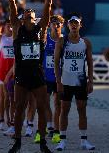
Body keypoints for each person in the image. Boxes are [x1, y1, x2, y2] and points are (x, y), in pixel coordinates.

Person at [6, 0, 55, 152]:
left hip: (37, 75)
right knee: (19, 108)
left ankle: (42, 142)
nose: (29, 13)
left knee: (42, 108)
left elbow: (48, 4)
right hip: (22, 75)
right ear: (23, 17)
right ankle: (17, 142)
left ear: (34, 19)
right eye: (26, 13)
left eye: (32, 14)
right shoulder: (17, 29)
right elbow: (11, 3)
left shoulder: (40, 30)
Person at [54, 14, 95, 151]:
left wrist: (91, 81)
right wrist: (58, 82)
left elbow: (90, 62)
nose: (74, 25)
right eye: (71, 23)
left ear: (80, 25)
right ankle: (62, 141)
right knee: (64, 111)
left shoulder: (86, 42)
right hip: (65, 81)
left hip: (81, 81)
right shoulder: (62, 41)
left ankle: (84, 141)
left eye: (76, 23)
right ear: (68, 25)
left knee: (81, 110)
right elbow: (55, 63)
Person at [43, 15, 64, 144]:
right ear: (50, 25)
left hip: (60, 79)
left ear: (62, 26)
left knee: (57, 104)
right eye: (54, 23)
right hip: (46, 77)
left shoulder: (64, 40)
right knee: (44, 104)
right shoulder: (45, 40)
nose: (56, 26)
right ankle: (49, 126)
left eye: (58, 24)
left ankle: (56, 131)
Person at [0, 20, 15, 130]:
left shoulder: (16, 38)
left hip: (14, 72)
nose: (10, 27)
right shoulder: (0, 38)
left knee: (13, 98)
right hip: (2, 72)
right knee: (2, 97)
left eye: (11, 24)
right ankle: (2, 119)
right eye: (8, 25)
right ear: (4, 26)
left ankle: (12, 120)